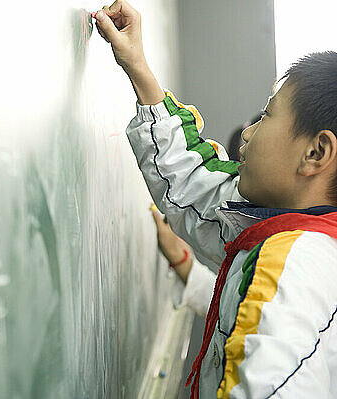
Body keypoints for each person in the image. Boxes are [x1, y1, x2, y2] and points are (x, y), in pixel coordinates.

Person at [94, 1, 337, 398]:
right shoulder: (281, 231)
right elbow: (197, 188)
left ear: (315, 153)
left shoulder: (292, 267)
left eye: (266, 116)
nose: (246, 134)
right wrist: (138, 66)